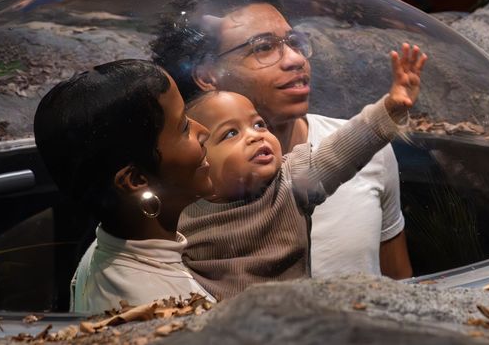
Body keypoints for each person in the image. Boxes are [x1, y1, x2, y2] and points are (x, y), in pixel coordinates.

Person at [151, 0, 414, 279]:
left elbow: (400, 280)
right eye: (263, 48)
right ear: (207, 74)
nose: (296, 59)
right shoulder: (180, 184)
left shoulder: (369, 151)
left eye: (294, 43)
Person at [179, 44, 426, 299]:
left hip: (294, 317)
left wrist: (390, 109)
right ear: (199, 159)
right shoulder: (182, 210)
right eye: (231, 133)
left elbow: (340, 151)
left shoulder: (290, 181)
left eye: (258, 124)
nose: (256, 136)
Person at [33, 59, 216, 314]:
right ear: (136, 180)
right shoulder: (161, 309)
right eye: (184, 126)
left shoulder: (106, 247)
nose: (204, 131)